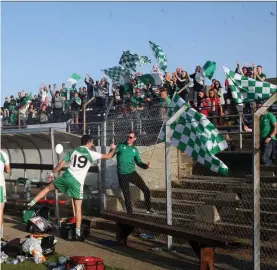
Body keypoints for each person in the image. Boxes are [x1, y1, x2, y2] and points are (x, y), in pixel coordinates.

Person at [27, 135, 116, 241]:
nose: (92, 144)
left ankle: (31, 202)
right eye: (92, 142)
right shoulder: (91, 154)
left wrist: (52, 173)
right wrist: (113, 148)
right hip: (77, 182)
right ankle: (78, 233)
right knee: (78, 208)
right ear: (88, 142)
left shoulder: (74, 151)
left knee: (48, 188)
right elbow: (109, 156)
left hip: (67, 177)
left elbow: (61, 163)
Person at [113, 131, 154, 215]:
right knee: (127, 195)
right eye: (128, 136)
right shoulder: (121, 145)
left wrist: (146, 166)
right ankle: (130, 213)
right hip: (122, 174)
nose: (129, 138)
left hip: (132, 173)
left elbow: (138, 162)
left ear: (134, 139)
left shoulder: (134, 150)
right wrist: (112, 148)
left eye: (131, 137)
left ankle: (149, 208)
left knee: (146, 190)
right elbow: (112, 154)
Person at [0, 150, 11, 239]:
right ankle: (0, 235)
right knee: (0, 211)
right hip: (0, 186)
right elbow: (8, 170)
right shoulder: (3, 154)